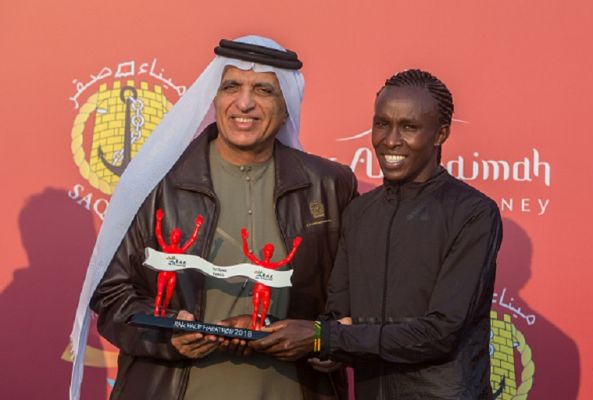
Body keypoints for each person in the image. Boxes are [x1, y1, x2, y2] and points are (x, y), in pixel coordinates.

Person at [69, 36, 357, 400]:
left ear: (286, 106)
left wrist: (320, 340)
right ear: (214, 98)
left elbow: (353, 303)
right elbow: (111, 293)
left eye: (264, 90)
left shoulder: (329, 186)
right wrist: (168, 334)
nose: (245, 103)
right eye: (231, 86)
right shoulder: (155, 183)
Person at [252, 69, 502, 399]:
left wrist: (325, 338)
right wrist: (323, 347)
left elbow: (441, 332)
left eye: (409, 127)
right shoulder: (359, 212)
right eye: (382, 123)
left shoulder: (473, 214)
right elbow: (338, 319)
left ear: (440, 134)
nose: (390, 139)